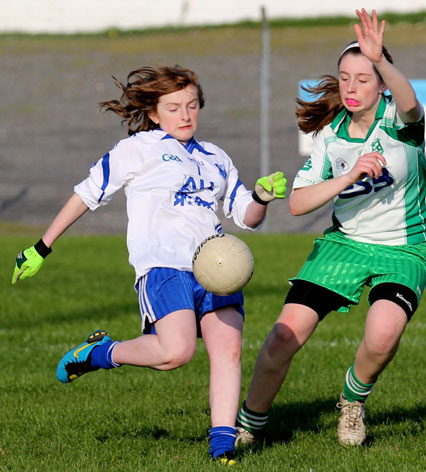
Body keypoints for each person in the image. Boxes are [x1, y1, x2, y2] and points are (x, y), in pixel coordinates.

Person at [11, 64, 287, 463]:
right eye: (174, 108)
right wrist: (41, 247)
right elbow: (88, 194)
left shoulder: (216, 158)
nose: (186, 115)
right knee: (175, 353)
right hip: (162, 266)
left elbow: (246, 216)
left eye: (192, 105)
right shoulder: (136, 149)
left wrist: (261, 197)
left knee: (228, 350)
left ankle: (222, 445)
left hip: (217, 265)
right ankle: (101, 353)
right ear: (154, 113)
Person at [235, 9, 426, 447]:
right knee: (282, 338)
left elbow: (410, 101)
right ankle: (248, 426)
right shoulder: (330, 136)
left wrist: (381, 60)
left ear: (380, 83)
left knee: (383, 334)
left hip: (405, 249)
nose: (351, 87)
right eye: (345, 77)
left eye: (363, 78)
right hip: (343, 247)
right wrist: (347, 177)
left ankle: (352, 400)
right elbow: (298, 203)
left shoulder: (400, 124)